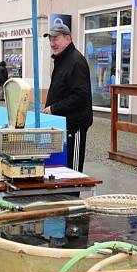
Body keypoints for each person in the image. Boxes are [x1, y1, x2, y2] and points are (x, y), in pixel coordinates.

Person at [42, 24, 93, 172]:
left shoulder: (76, 61)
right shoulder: (62, 60)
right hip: (61, 125)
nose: (52, 43)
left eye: (56, 38)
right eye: (50, 39)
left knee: (73, 172)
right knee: (61, 170)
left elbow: (81, 95)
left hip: (74, 126)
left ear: (68, 38)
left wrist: (54, 108)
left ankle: (75, 196)